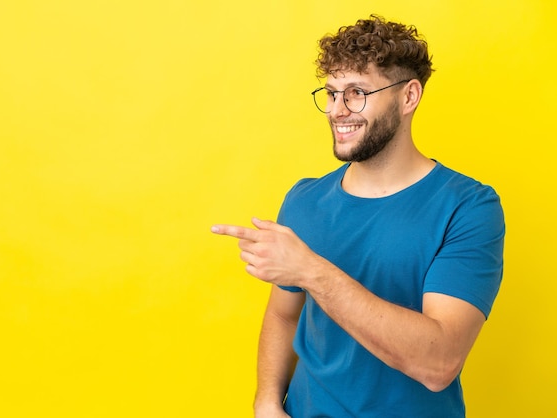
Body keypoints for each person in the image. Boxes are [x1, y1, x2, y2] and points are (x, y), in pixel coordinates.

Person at [211, 15, 504, 418]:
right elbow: (283, 315)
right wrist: (265, 401)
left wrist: (311, 270)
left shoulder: (468, 207)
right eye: (331, 93)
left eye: (356, 92)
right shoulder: (304, 200)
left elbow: (439, 363)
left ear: (408, 97)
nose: (337, 110)